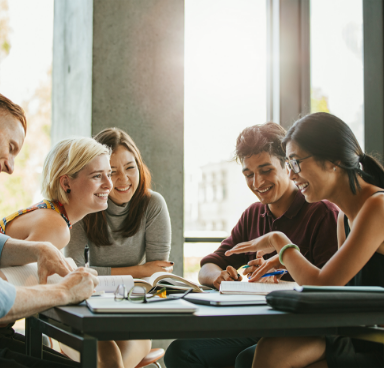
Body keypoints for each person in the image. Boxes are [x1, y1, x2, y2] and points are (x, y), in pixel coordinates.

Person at [165, 122, 339, 368]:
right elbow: (208, 266)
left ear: (288, 166)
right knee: (180, 352)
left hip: (304, 330)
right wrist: (219, 277)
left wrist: (281, 283)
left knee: (247, 359)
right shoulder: (253, 214)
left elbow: (329, 291)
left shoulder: (321, 212)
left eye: (266, 170)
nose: (257, 182)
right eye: (248, 174)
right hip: (260, 325)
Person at [226, 112, 384, 368]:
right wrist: (285, 261)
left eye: (296, 163)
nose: (291, 175)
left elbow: (323, 287)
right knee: (262, 351)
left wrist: (279, 242)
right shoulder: (344, 216)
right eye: (289, 165)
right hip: (357, 332)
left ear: (333, 160)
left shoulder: (377, 207)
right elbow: (335, 294)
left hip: (376, 340)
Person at [0, 93, 99, 368]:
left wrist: (37, 249)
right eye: (10, 146)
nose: (10, 166)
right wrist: (65, 291)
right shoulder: (56, 225)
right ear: (66, 183)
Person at [65, 127, 172, 367]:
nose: (123, 179)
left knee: (112, 363)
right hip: (87, 312)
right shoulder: (82, 207)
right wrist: (138, 270)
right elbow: (73, 274)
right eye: (112, 172)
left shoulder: (153, 204)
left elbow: (158, 278)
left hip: (133, 314)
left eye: (130, 167)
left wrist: (144, 273)